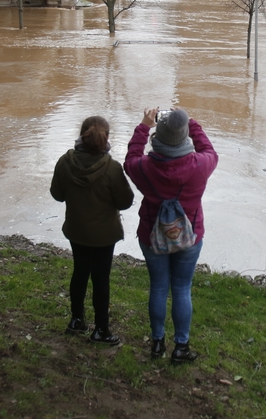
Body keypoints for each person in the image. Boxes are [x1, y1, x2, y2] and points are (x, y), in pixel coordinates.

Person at [124, 107, 218, 363]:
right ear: (184, 134)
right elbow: (210, 150)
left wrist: (144, 125)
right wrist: (191, 122)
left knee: (158, 287)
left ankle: (157, 343)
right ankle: (181, 347)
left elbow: (130, 157)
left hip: (151, 236)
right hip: (189, 237)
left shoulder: (144, 167)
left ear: (158, 137)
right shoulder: (200, 165)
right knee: (181, 288)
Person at [51, 116, 134, 345]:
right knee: (101, 279)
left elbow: (57, 195)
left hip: (77, 231)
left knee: (79, 272)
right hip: (104, 236)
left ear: (81, 135)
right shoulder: (112, 168)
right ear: (106, 138)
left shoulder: (64, 162)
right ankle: (101, 330)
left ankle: (76, 320)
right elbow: (125, 202)